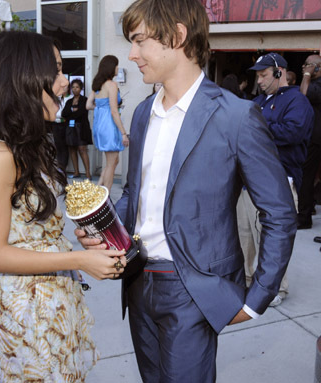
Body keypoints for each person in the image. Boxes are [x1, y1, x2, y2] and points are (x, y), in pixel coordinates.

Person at [76, 0, 297, 381]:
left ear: (177, 37)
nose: (132, 54)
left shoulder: (236, 116)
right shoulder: (143, 113)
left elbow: (279, 212)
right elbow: (136, 194)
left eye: (140, 41)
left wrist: (258, 296)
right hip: (137, 280)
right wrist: (104, 228)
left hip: (194, 288)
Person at [0, 31, 127, 382]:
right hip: (25, 314)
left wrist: (81, 242)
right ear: (20, 76)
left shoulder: (29, 143)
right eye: (54, 71)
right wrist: (79, 260)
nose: (64, 81)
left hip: (53, 300)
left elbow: (33, 229)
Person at [243, 53, 313, 306]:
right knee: (244, 236)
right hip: (247, 181)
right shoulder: (259, 101)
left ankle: (274, 289)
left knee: (271, 240)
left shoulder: (297, 101)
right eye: (257, 76)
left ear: (279, 72)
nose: (259, 81)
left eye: (263, 75)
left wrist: (258, 129)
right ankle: (248, 282)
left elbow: (293, 132)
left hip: (278, 181)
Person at [86, 55, 129, 191]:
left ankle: (98, 189)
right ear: (112, 67)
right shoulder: (111, 85)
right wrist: (123, 133)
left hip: (99, 125)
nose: (118, 68)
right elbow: (114, 112)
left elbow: (88, 105)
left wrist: (101, 108)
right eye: (116, 65)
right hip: (109, 126)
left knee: (113, 161)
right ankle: (105, 197)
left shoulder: (97, 85)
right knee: (111, 163)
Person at [297, 54, 321, 230]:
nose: (305, 67)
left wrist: (306, 76)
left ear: (318, 67)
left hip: (315, 138)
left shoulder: (318, 85)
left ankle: (304, 218)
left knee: (306, 176)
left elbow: (303, 96)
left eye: (308, 65)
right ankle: (308, 209)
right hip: (312, 137)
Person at [62, 79, 93, 179]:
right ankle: (76, 172)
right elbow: (64, 114)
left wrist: (71, 114)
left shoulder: (85, 100)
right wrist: (73, 112)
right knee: (72, 149)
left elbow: (81, 113)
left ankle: (88, 173)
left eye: (77, 87)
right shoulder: (69, 101)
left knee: (82, 149)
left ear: (81, 89)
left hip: (81, 128)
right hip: (70, 128)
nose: (75, 89)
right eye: (73, 87)